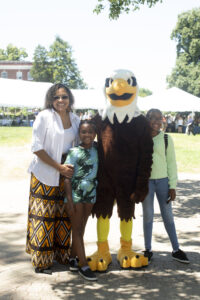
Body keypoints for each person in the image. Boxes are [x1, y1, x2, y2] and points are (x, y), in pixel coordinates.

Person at [26, 83, 80, 274]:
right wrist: (59, 167)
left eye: (64, 97)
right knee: (44, 216)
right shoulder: (44, 117)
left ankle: (61, 255)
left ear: (69, 99)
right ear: (50, 99)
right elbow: (37, 147)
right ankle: (41, 260)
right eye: (56, 97)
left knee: (64, 216)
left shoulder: (75, 119)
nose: (60, 101)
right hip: (45, 173)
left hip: (66, 176)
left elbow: (79, 146)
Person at [142, 108, 189, 264]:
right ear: (146, 119)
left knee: (167, 215)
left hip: (163, 182)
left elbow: (171, 163)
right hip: (146, 183)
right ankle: (148, 250)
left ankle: (176, 249)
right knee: (148, 216)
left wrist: (172, 186)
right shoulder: (140, 138)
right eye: (152, 118)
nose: (156, 121)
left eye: (159, 118)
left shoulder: (166, 139)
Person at [64, 119, 98, 281]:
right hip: (76, 194)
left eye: (90, 132)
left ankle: (72, 258)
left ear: (94, 134)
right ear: (79, 134)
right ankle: (83, 265)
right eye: (84, 132)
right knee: (77, 229)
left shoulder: (97, 150)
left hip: (91, 193)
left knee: (81, 228)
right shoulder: (74, 152)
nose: (87, 135)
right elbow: (66, 178)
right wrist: (69, 200)